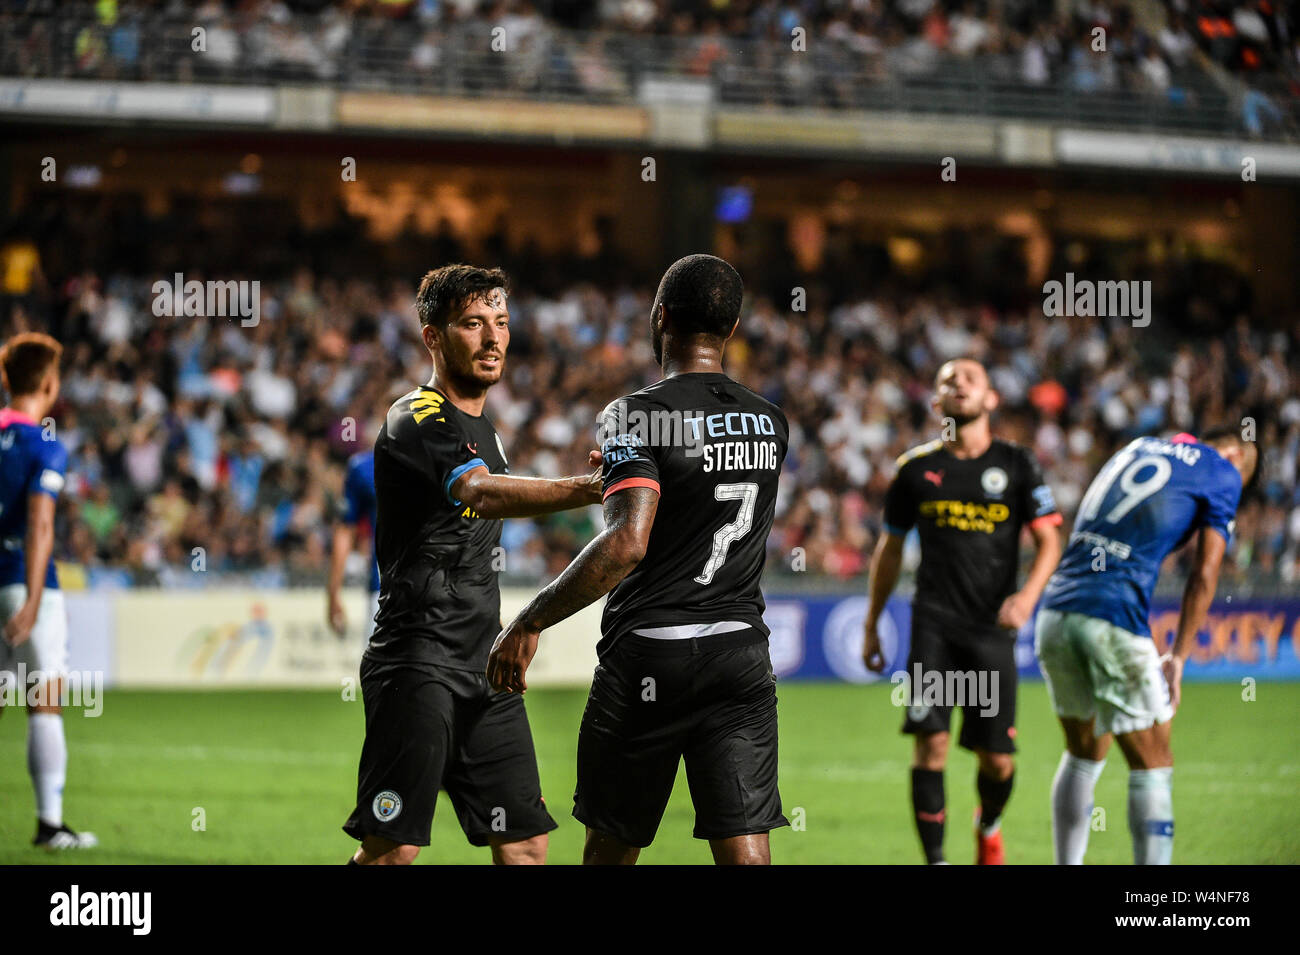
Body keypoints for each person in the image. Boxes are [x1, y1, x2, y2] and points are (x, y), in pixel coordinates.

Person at [488, 253, 789, 865]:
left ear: (660, 317)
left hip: (653, 653)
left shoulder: (636, 415)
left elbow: (628, 542)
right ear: (731, 330)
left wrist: (531, 619)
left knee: (613, 846)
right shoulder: (769, 420)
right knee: (748, 856)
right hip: (740, 652)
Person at [342, 265, 602, 865]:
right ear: (432, 336)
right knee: (392, 851)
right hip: (418, 660)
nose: (493, 339)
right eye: (472, 324)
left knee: (527, 845)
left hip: (484, 666)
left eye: (501, 323)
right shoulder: (416, 417)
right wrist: (587, 488)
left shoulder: (484, 428)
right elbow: (481, 493)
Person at [862, 357, 1062, 864]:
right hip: (933, 624)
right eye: (948, 380)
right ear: (936, 403)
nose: (958, 383)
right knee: (930, 746)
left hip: (991, 630)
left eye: (971, 377)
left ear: (991, 399)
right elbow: (889, 551)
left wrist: (1026, 598)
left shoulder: (1018, 465)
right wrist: (871, 622)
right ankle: (937, 860)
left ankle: (988, 824)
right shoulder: (914, 471)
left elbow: (1049, 542)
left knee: (997, 762)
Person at [1035, 428, 1256, 865]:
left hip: (1056, 612)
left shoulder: (1136, 447)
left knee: (1083, 751)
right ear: (1233, 454)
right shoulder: (1224, 469)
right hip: (1112, 616)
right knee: (1154, 759)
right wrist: (1178, 656)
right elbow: (1206, 572)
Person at [0, 332, 97, 850]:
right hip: (23, 582)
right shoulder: (45, 445)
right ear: (51, 383)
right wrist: (34, 599)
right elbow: (40, 526)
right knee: (44, 699)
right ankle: (49, 824)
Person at [327, 448, 379, 646]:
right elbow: (345, 531)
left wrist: (333, 593)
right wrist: (333, 592)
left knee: (380, 674)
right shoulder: (363, 467)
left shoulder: (363, 466)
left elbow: (345, 531)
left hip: (386, 595)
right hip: (386, 593)